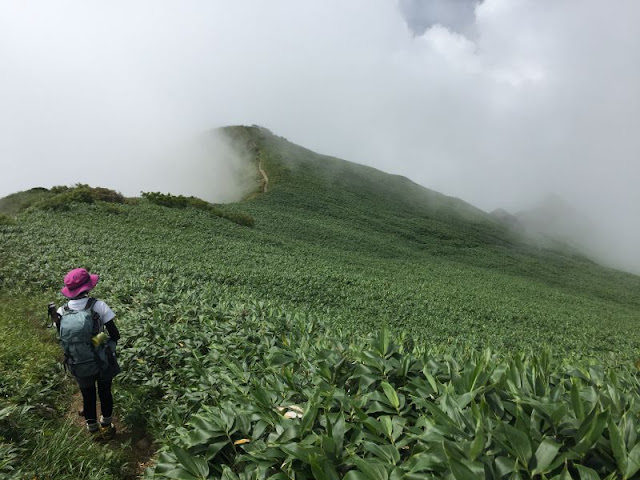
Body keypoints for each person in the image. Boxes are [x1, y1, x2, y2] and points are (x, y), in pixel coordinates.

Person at [54, 268, 121, 440]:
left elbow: (63, 339)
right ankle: (106, 426)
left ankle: (93, 431)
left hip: (79, 362)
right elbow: (115, 335)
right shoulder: (98, 306)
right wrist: (98, 342)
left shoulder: (61, 311)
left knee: (88, 396)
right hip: (102, 361)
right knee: (105, 393)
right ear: (87, 288)